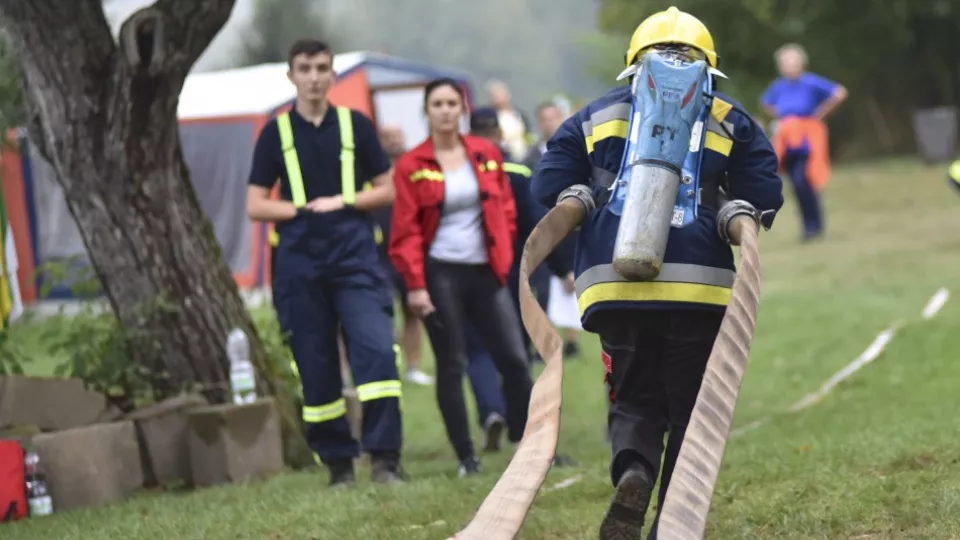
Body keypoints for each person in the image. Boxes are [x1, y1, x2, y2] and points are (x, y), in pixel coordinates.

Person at [530, 7, 784, 538]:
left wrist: (590, 197)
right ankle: (673, 519)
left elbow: (546, 187)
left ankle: (634, 470)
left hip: (614, 284)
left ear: (633, 65)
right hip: (699, 288)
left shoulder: (594, 116)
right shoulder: (732, 119)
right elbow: (763, 197)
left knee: (633, 395)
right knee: (691, 407)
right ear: (709, 67)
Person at [246, 38, 404, 488]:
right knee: (315, 365)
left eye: (321, 68)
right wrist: (301, 209)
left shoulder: (355, 125)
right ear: (291, 75)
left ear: (332, 74)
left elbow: (387, 189)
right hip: (299, 263)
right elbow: (255, 205)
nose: (314, 76)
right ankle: (337, 465)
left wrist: (344, 201)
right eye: (305, 68)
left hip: (354, 257)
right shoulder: (274, 133)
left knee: (375, 352)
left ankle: (384, 460)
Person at [389, 78, 535, 477]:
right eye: (437, 103)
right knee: (452, 363)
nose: (445, 110)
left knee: (516, 360)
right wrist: (416, 285)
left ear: (463, 108)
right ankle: (466, 456)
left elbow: (504, 208)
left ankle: (526, 440)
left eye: (452, 102)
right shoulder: (412, 166)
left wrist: (503, 258)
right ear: (427, 111)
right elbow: (403, 232)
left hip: (485, 270)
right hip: (440, 274)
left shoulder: (485, 154)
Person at [461, 107, 576, 457]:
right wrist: (561, 268)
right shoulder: (517, 172)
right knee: (517, 353)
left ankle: (490, 412)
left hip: (465, 273)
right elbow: (537, 226)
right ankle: (517, 421)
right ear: (498, 134)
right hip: (514, 276)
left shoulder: (457, 173)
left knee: (477, 350)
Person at [761, 43, 847, 241]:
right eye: (784, 63)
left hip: (806, 139)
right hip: (787, 139)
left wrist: (818, 115)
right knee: (795, 182)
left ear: (801, 63)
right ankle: (808, 225)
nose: (789, 66)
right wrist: (783, 118)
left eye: (792, 62)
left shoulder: (810, 82)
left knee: (804, 179)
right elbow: (765, 102)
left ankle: (814, 225)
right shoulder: (779, 86)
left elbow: (839, 93)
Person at [374, 124, 433, 387]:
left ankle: (412, 366)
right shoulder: (373, 169)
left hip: (409, 251)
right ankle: (386, 367)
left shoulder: (416, 166)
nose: (395, 141)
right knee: (382, 314)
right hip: (379, 253)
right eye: (389, 137)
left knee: (413, 312)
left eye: (398, 136)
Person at [524, 101, 583, 358]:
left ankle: (572, 339)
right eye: (545, 119)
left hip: (570, 227)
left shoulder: (577, 154)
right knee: (543, 289)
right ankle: (545, 342)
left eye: (554, 118)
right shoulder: (529, 158)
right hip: (539, 227)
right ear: (538, 123)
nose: (549, 123)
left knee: (572, 284)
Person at [486, 79, 532, 160]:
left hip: (523, 157)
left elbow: (528, 135)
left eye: (501, 93)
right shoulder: (489, 118)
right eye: (495, 95)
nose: (499, 97)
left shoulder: (519, 115)